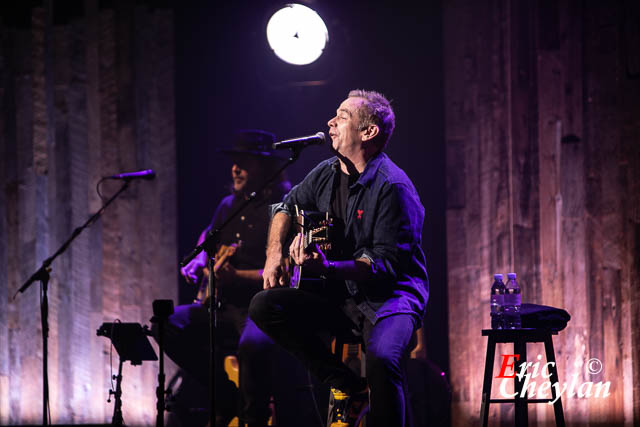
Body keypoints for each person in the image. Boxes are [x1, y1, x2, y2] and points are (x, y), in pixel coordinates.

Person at [249, 90, 429, 427]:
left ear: (368, 133)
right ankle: (345, 384)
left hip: (390, 299)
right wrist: (274, 252)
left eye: (342, 116)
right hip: (340, 293)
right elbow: (286, 205)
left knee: (382, 359)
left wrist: (326, 267)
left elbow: (383, 265)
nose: (330, 122)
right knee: (264, 305)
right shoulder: (326, 172)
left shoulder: (394, 187)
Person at [164, 130, 291, 427]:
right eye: (234, 162)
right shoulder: (228, 205)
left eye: (243, 162)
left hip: (257, 308)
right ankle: (224, 396)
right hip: (221, 306)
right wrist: (196, 262)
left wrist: (238, 277)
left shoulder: (281, 209)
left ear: (263, 167)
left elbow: (285, 268)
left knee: (253, 346)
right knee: (166, 325)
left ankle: (253, 418)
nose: (235, 168)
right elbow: (207, 240)